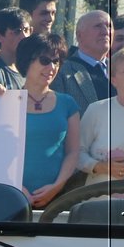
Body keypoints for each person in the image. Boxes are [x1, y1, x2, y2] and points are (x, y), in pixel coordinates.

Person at [17, 33, 81, 207]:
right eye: (45, 60)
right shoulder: (5, 101)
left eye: (56, 61)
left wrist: (56, 187)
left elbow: (73, 152)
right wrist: (16, 188)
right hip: (10, 197)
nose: (52, 67)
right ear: (26, 61)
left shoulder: (67, 103)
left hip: (57, 199)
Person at [80, 45, 124, 185]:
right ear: (113, 79)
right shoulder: (96, 110)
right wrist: (100, 167)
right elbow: (76, 153)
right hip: (101, 197)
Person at [55, 9, 114, 111]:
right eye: (98, 26)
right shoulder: (61, 71)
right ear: (79, 35)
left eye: (109, 26)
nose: (105, 31)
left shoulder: (120, 68)